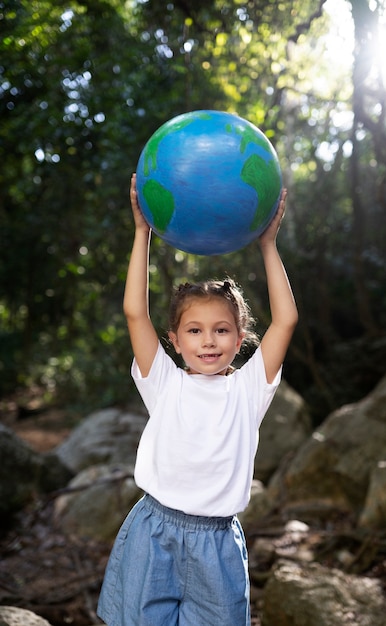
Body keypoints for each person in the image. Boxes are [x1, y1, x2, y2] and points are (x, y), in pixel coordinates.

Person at [97, 173, 298, 626]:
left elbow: (285, 320)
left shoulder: (247, 391)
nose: (208, 341)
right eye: (195, 330)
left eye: (221, 330)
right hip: (155, 530)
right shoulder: (164, 381)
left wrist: (268, 244)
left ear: (240, 338)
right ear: (175, 340)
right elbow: (134, 312)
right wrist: (141, 232)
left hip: (217, 543)